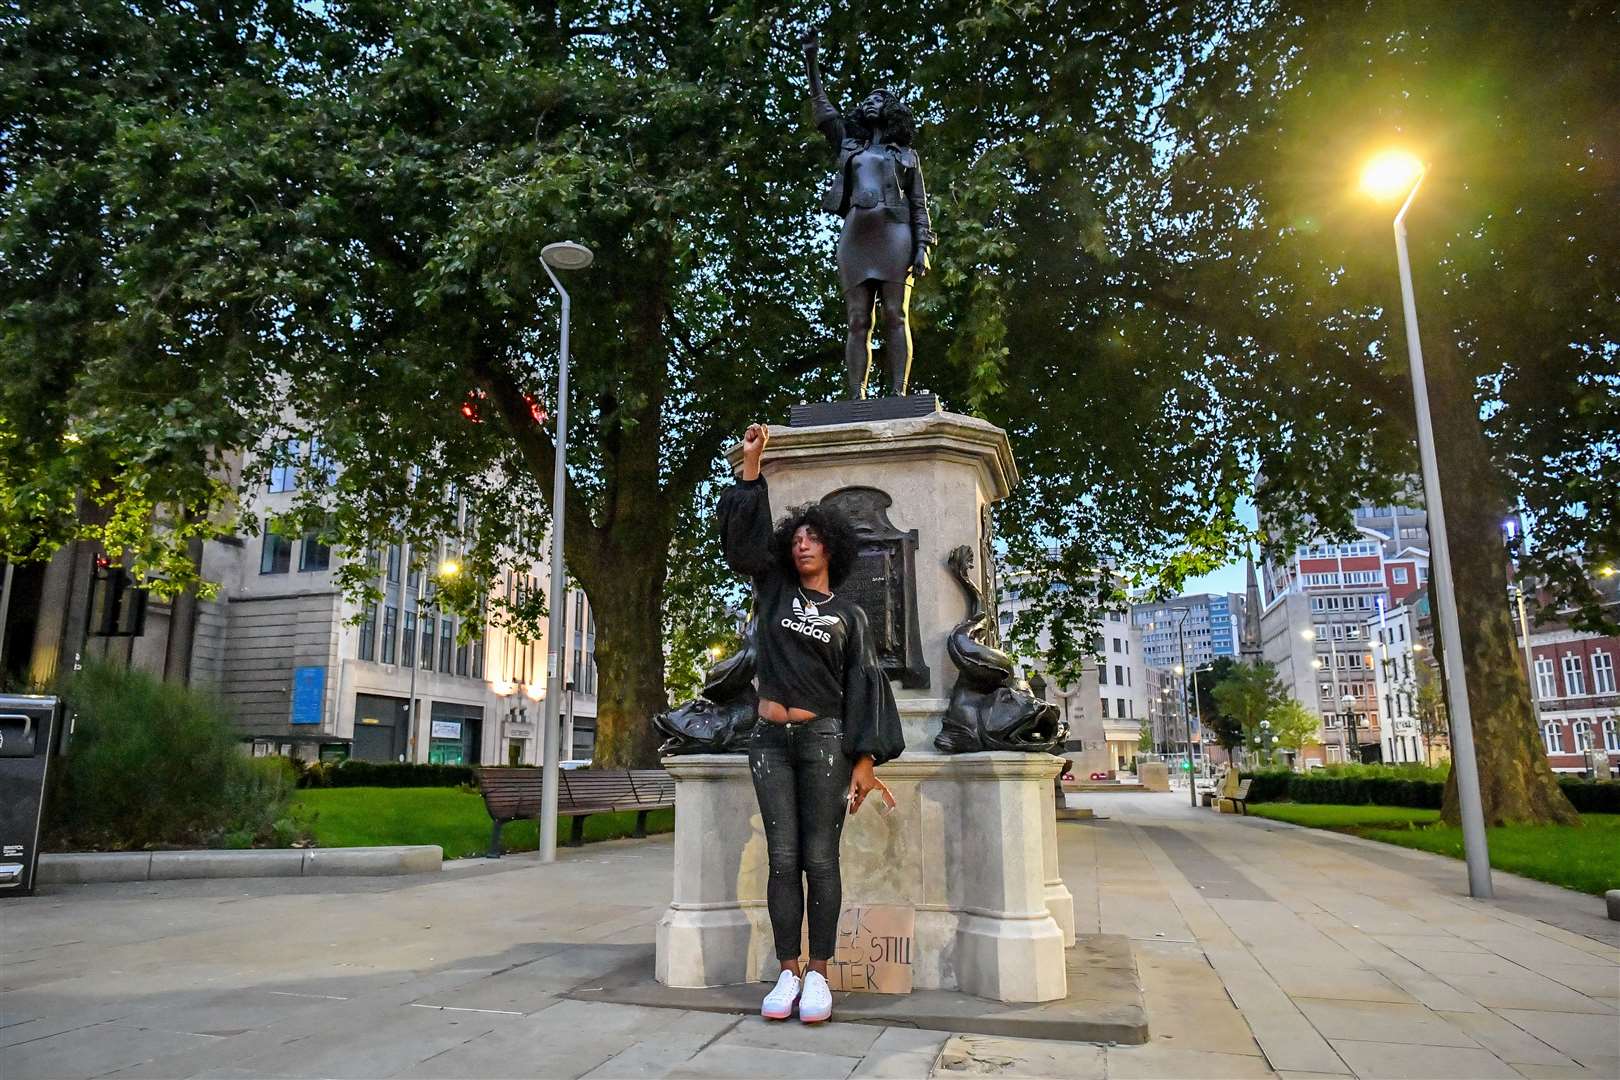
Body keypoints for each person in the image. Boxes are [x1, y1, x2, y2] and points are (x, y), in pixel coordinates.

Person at [718, 422, 905, 1024]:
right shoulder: (771, 590)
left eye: (812, 538)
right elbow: (743, 546)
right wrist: (752, 468)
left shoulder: (849, 614)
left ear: (831, 548)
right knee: (781, 858)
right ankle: (786, 973)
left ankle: (820, 974)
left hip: (824, 742)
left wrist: (865, 762)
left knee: (820, 859)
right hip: (769, 740)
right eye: (795, 538)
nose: (801, 546)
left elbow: (864, 688)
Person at [801, 30, 936, 399]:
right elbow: (823, 110)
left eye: (880, 98)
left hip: (896, 236)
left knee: (896, 315)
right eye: (868, 99)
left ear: (891, 110)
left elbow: (919, 205)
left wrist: (922, 247)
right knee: (858, 320)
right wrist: (812, 61)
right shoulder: (848, 142)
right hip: (856, 237)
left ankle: (898, 393)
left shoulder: (907, 156)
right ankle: (857, 396)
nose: (872, 102)